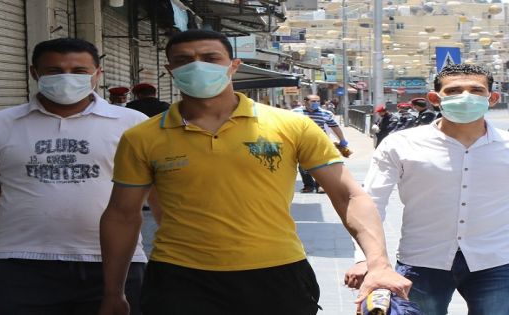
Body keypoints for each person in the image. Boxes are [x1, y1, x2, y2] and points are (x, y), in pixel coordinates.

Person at [99, 29, 410, 315]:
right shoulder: (142, 137)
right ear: (171, 71)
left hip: (277, 273)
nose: (197, 66)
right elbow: (122, 216)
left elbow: (348, 194)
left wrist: (378, 262)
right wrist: (113, 292)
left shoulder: (290, 125)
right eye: (184, 61)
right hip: (179, 278)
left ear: (233, 65)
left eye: (210, 58)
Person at [0, 38, 157, 315]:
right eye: (54, 71)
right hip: (20, 262)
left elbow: (159, 194)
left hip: (115, 263)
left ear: (98, 74)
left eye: (79, 71)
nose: (67, 78)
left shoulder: (132, 124)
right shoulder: (0, 124)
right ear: (34, 73)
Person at [344, 64, 509, 315]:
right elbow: (372, 202)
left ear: (492, 98)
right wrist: (364, 258)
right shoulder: (401, 145)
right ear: (435, 98)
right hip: (422, 260)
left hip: (496, 263)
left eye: (477, 90)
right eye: (454, 91)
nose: (466, 97)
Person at [293, 94, 349, 193]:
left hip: (320, 143)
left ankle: (320, 185)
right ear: (305, 101)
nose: (316, 103)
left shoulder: (325, 113)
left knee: (320, 164)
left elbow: (334, 126)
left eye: (317, 101)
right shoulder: (295, 113)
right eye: (313, 101)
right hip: (302, 143)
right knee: (303, 166)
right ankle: (308, 185)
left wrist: (342, 139)